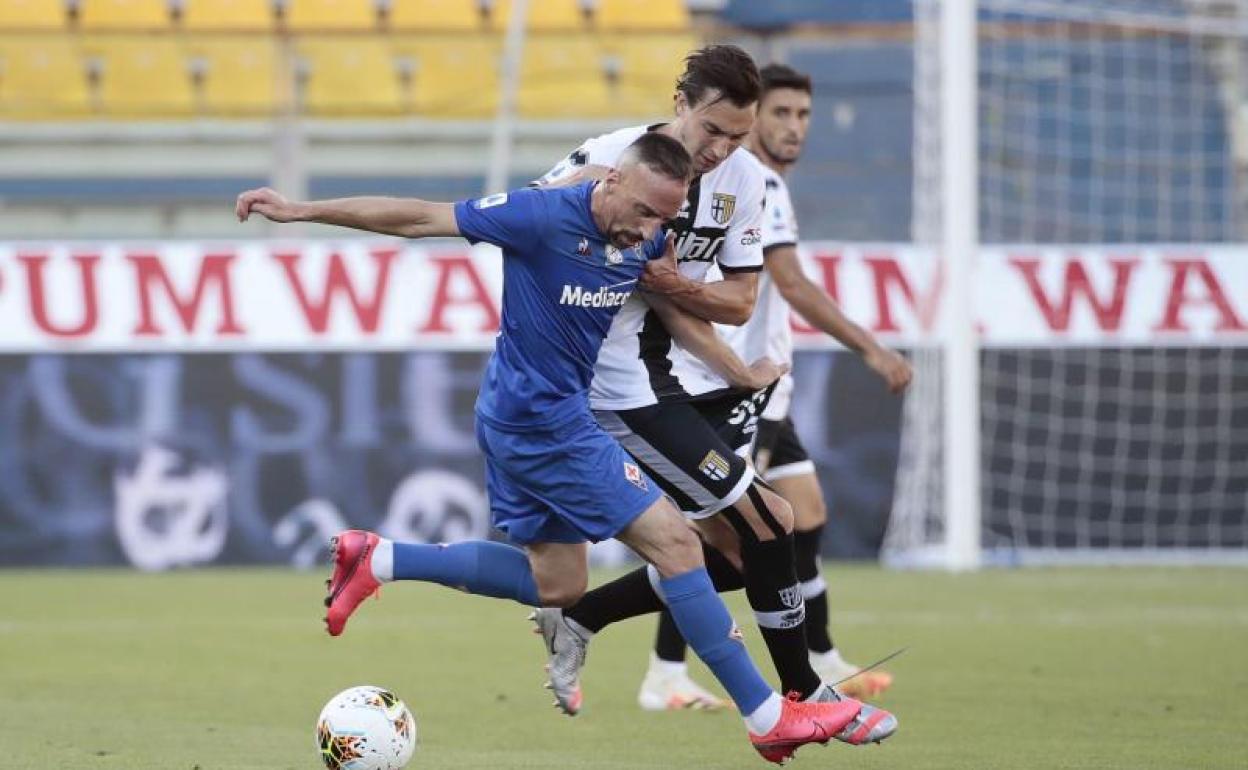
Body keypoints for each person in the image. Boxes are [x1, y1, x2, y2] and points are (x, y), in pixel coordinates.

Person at [234, 133, 885, 764]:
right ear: (611, 179)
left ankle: (379, 559)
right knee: (683, 546)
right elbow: (418, 218)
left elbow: (676, 311)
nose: (651, 230)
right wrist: (300, 209)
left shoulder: (647, 233)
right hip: (546, 422)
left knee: (558, 583)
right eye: (643, 210)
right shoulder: (538, 216)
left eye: (666, 216)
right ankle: (769, 717)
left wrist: (739, 372)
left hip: (517, 415)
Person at [528, 44, 894, 742]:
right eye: (712, 131)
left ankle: (579, 618)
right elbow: (526, 219)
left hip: (674, 382)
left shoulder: (746, 181)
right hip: (609, 394)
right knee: (771, 519)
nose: (722, 148)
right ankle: (802, 694)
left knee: (728, 551)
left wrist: (678, 291)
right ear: (679, 105)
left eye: (736, 134)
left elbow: (739, 299)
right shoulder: (610, 157)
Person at [638, 63, 914, 711]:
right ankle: (663, 666)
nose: (792, 128)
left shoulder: (751, 186)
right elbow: (788, 284)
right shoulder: (747, 183)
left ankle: (818, 656)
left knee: (802, 513)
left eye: (803, 115)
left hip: (761, 382)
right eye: (779, 114)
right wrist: (872, 349)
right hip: (727, 383)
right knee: (730, 537)